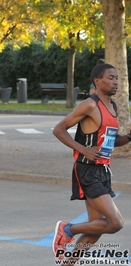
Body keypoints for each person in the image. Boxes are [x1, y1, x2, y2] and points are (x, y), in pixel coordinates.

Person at [52, 63, 130, 265]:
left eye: (117, 78)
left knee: (96, 227)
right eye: (111, 78)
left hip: (103, 170)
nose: (115, 82)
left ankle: (68, 264)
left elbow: (112, 141)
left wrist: (129, 137)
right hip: (87, 170)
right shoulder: (90, 105)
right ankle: (67, 229)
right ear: (98, 81)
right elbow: (59, 129)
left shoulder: (113, 106)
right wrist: (83, 149)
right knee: (114, 223)